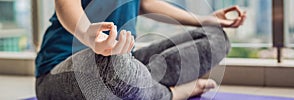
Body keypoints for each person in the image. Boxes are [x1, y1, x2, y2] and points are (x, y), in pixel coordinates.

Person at [35, 0, 246, 99]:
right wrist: (87, 33)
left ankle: (137, 87)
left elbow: (146, 2)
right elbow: (66, 5)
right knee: (112, 66)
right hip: (60, 70)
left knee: (214, 36)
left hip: (124, 62)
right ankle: (171, 94)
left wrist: (203, 20)